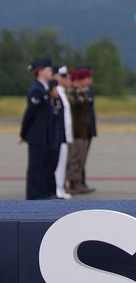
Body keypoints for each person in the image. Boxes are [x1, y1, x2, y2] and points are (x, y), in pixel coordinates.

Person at [19, 58, 57, 200]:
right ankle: (33, 198)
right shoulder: (36, 90)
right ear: (40, 71)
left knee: (42, 168)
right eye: (48, 69)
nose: (50, 71)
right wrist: (24, 133)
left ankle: (40, 196)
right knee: (35, 169)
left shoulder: (44, 89)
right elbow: (30, 114)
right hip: (36, 135)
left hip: (44, 135)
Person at [66, 68, 96, 195]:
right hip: (76, 131)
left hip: (83, 131)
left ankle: (77, 181)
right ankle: (73, 182)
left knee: (80, 159)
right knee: (74, 159)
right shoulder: (71, 94)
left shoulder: (81, 92)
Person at [50, 66, 74, 199]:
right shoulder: (57, 93)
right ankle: (58, 189)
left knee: (62, 164)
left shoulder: (62, 93)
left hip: (64, 135)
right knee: (58, 164)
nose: (68, 80)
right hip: (60, 135)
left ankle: (60, 187)